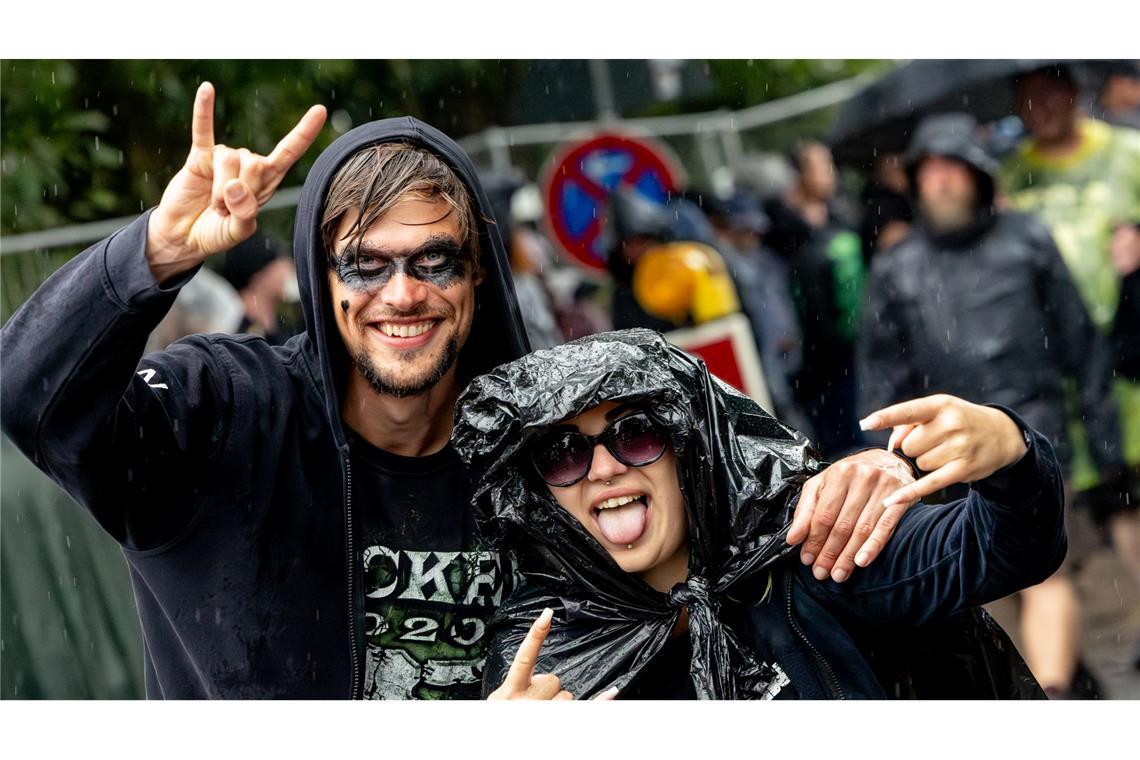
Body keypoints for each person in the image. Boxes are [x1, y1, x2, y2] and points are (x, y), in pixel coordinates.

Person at [0, 82, 915, 698]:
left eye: (435, 258)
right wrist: (149, 256)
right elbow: (30, 397)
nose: (402, 293)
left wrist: (851, 486)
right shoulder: (222, 415)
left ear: (479, 278)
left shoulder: (553, 444)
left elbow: (724, 547)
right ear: (322, 282)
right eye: (364, 264)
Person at [450, 330, 1063, 699]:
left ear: (688, 449)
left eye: (634, 436)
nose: (605, 469)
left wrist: (1009, 450)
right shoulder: (546, 647)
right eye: (563, 454)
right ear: (544, 495)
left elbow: (1007, 548)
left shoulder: (812, 544)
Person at [859, 112, 1125, 697]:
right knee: (984, 589)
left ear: (978, 176)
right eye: (931, 170)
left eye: (955, 168)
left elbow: (1080, 341)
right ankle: (1049, 688)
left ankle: (1053, 693)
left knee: (1047, 573)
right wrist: (887, 464)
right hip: (943, 460)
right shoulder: (897, 268)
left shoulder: (1026, 237)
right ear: (916, 181)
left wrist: (1105, 444)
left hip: (1035, 438)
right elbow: (881, 380)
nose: (944, 182)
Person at [764, 141, 867, 457]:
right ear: (799, 175)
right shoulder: (779, 229)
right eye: (822, 167)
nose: (831, 175)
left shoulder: (838, 217)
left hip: (850, 348)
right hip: (808, 362)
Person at [217, 231, 300, 345]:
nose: (289, 266)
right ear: (258, 276)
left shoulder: (284, 331)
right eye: (279, 260)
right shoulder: (230, 331)